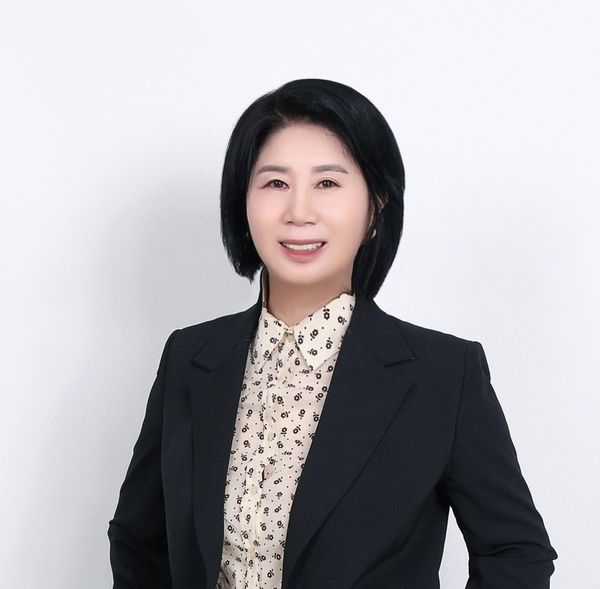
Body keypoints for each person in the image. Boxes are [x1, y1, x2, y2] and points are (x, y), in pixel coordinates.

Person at [108, 78, 558, 588]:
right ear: (242, 202)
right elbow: (138, 540)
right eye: (275, 184)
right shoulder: (190, 357)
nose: (299, 212)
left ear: (375, 208)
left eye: (327, 183)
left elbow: (514, 551)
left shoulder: (444, 376)